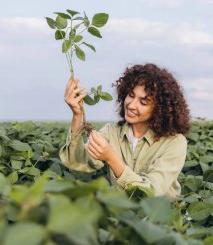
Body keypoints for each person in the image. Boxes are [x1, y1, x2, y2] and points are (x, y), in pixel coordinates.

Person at [59, 63, 191, 197]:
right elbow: (77, 161)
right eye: (131, 95)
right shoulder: (111, 132)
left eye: (143, 102)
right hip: (121, 214)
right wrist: (77, 115)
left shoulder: (175, 142)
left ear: (160, 109)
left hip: (158, 216)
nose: (132, 105)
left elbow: (151, 193)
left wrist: (111, 158)